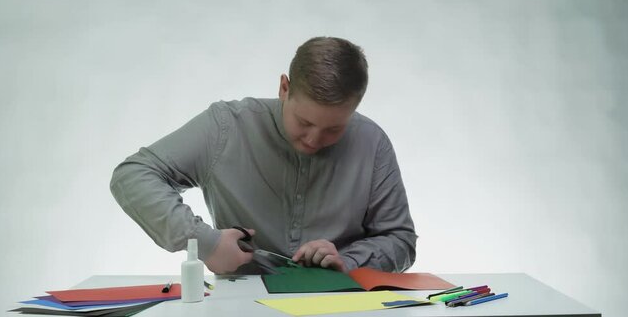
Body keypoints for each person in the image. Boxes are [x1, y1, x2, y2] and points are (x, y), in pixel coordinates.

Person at [110, 36, 417, 275]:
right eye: (305, 122)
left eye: (334, 129)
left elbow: (400, 240)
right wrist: (205, 242)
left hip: (340, 304)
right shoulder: (224, 127)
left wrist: (347, 261)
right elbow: (134, 175)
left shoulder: (372, 143)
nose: (314, 139)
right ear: (284, 87)